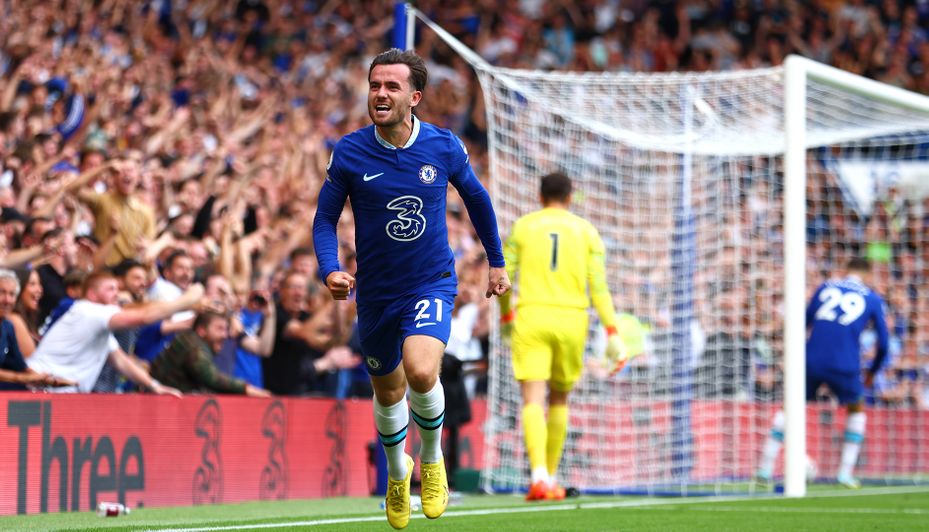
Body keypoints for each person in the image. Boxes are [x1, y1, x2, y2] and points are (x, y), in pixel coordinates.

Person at [312, 48, 509, 529]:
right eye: (375, 85)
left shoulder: (443, 147)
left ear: (414, 96)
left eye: (391, 87)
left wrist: (497, 262)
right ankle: (398, 475)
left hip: (430, 282)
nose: (380, 93)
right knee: (388, 393)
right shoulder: (351, 151)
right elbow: (324, 218)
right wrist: (329, 268)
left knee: (422, 372)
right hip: (376, 294)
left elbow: (478, 200)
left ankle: (432, 462)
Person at [498, 171, 628, 501]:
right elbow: (598, 286)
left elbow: (504, 276)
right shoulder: (587, 231)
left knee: (532, 399)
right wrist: (612, 331)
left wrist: (505, 315)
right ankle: (551, 477)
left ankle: (539, 476)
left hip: (531, 315)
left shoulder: (524, 226)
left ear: (540, 197)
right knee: (559, 398)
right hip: (572, 319)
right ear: (570, 197)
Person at [756, 257, 890, 488]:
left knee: (789, 407)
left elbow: (803, 322)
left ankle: (764, 469)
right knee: (856, 409)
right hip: (845, 363)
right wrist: (872, 372)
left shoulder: (826, 287)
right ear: (867, 275)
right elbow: (884, 344)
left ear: (845, 270)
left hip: (811, 359)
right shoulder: (872, 298)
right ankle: (844, 474)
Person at [26, 270, 202, 394]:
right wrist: (188, 300)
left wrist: (154, 386)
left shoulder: (98, 323)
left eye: (117, 289)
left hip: (57, 394)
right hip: (40, 389)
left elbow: (121, 361)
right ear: (92, 294)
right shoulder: (88, 310)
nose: (116, 294)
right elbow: (145, 317)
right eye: (110, 289)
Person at [0, 268, 75, 390]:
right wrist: (19, 378)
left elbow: (21, 366)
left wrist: (48, 380)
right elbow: (20, 375)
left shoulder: (7, 327)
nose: (7, 300)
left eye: (11, 294)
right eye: (1, 293)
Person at [150, 310, 271, 397]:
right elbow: (212, 378)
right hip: (153, 404)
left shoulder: (194, 342)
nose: (225, 335)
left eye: (226, 329)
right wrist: (247, 389)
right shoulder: (193, 345)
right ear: (201, 330)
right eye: (219, 329)